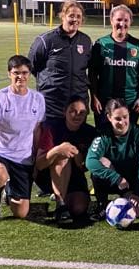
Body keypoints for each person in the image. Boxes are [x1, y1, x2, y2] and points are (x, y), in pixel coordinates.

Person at [0, 55, 45, 223]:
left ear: (29, 74)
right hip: (1, 153)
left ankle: (8, 191)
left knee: (22, 213)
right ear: (8, 74)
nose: (21, 77)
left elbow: (37, 130)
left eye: (25, 73)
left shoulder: (38, 99)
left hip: (23, 158)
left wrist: (35, 156)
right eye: (16, 72)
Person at [28, 1, 92, 136]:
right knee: (50, 150)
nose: (75, 19)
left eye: (78, 16)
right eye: (71, 15)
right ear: (63, 16)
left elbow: (87, 69)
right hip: (52, 107)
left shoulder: (86, 41)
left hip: (78, 108)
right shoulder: (45, 41)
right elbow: (32, 67)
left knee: (76, 150)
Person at [35, 95, 97, 224]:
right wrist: (57, 150)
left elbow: (84, 167)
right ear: (65, 112)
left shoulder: (90, 132)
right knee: (63, 156)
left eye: (82, 112)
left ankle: (63, 197)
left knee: (78, 208)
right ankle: (60, 205)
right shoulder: (52, 129)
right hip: (47, 174)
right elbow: (40, 164)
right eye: (72, 111)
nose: (77, 115)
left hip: (74, 175)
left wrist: (78, 155)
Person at [85, 99, 139, 219]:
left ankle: (127, 197)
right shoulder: (103, 134)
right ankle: (102, 204)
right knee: (101, 161)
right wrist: (116, 178)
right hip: (113, 179)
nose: (122, 122)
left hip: (132, 181)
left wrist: (138, 192)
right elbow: (90, 161)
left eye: (125, 117)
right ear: (109, 117)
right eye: (117, 118)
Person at [89, 4, 139, 127]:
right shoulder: (101, 44)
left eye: (126, 20)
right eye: (118, 19)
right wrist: (94, 97)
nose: (122, 24)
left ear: (130, 22)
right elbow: (92, 73)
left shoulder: (138, 46)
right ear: (111, 20)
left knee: (126, 139)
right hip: (104, 103)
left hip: (130, 103)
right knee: (105, 138)